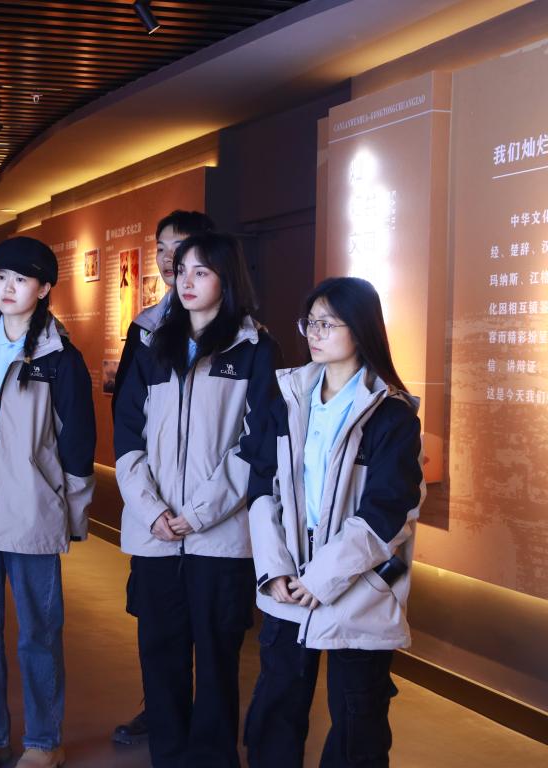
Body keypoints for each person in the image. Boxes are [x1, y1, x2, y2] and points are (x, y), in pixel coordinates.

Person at [243, 277, 425, 768]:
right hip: (288, 580)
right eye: (311, 323)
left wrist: (321, 578)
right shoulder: (288, 397)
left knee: (357, 724)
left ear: (360, 330)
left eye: (328, 323)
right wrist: (275, 569)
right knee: (275, 709)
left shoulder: (391, 415)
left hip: (359, 583)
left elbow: (387, 512)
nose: (315, 334)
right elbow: (262, 487)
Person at [114, 232, 278, 768]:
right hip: (155, 536)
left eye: (200, 271)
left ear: (227, 280)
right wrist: (153, 512)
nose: (185, 280)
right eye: (181, 269)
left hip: (220, 540)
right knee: (159, 660)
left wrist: (198, 514)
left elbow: (256, 443)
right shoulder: (149, 344)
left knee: (217, 663)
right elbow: (127, 434)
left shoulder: (255, 349)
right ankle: (168, 757)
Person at [0, 236, 96, 768]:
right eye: (1, 277)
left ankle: (44, 742)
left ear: (44, 288)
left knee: (39, 635)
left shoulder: (60, 358)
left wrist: (72, 515)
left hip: (32, 517)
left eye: (21, 279)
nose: (7, 288)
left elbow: (78, 444)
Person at [111, 209, 214, 746]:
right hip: (154, 513)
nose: (172, 260)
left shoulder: (242, 333)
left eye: (184, 249)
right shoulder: (145, 327)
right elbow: (127, 419)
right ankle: (162, 712)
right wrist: (150, 506)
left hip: (212, 517)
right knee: (156, 623)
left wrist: (200, 510)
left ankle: (204, 730)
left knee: (211, 629)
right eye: (163, 249)